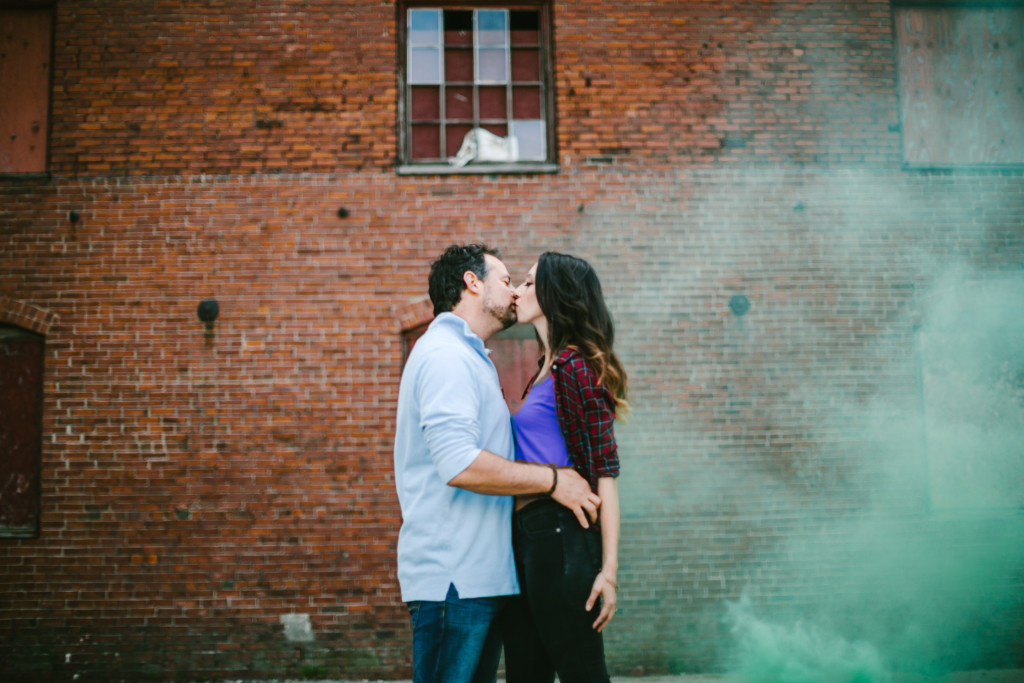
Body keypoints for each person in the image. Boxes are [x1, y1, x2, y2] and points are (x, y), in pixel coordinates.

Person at [393, 243, 602, 683]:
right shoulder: (445, 356)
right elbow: (459, 464)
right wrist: (553, 481)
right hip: (454, 583)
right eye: (507, 281)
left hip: (480, 580)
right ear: (472, 283)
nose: (513, 292)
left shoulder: (470, 356)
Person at [500, 251, 629, 683]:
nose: (516, 290)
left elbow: (604, 474)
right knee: (526, 674)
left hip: (561, 538)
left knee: (582, 674)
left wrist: (608, 573)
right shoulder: (544, 368)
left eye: (528, 282)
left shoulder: (575, 367)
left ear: (555, 295)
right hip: (529, 540)